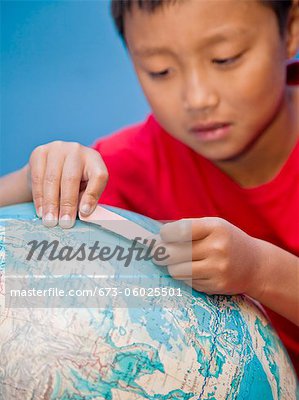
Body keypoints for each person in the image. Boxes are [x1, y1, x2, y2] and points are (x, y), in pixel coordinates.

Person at [0, 0, 298, 374]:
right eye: (160, 71)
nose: (198, 98)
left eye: (225, 58)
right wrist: (33, 178)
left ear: (291, 31)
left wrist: (261, 270)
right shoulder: (137, 161)